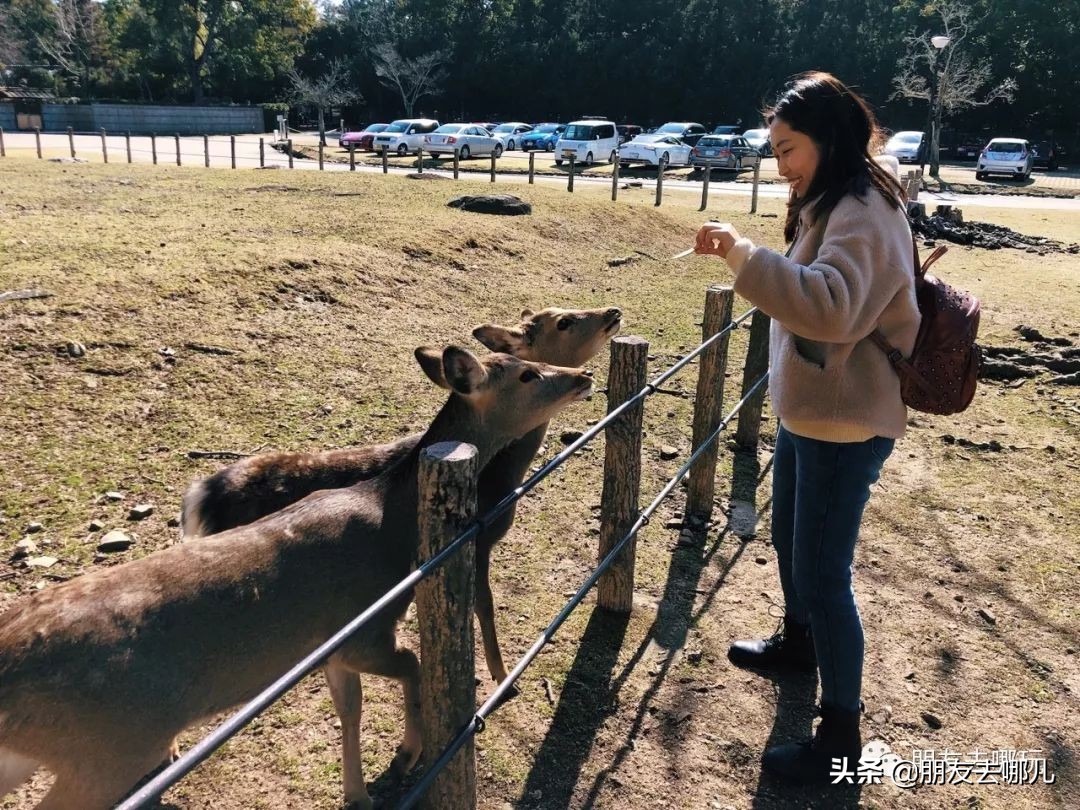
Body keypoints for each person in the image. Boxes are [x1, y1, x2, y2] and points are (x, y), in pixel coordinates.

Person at [693, 72, 921, 784]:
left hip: (844, 423)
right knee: (794, 541)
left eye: (788, 149)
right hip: (814, 411)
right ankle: (799, 646)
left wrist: (741, 254)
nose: (780, 164)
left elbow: (828, 308)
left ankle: (841, 740)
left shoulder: (861, 209)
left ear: (827, 140)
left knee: (825, 575)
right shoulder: (838, 196)